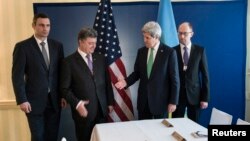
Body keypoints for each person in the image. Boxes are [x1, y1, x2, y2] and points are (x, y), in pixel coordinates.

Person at [12, 13, 66, 141]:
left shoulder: (57, 46)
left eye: (48, 25)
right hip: (33, 103)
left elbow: (62, 73)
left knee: (52, 137)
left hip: (54, 101)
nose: (45, 28)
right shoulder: (22, 47)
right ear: (33, 26)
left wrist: (63, 95)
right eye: (41, 25)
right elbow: (17, 76)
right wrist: (22, 99)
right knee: (38, 137)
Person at [115, 21, 180, 120]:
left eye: (147, 37)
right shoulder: (141, 52)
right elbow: (137, 73)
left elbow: (175, 79)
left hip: (160, 102)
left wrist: (173, 101)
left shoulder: (169, 53)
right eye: (144, 37)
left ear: (157, 37)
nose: (144, 40)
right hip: (143, 102)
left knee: (159, 132)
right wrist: (125, 82)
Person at [60, 27, 114, 141]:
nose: (94, 46)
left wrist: (110, 102)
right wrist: (77, 104)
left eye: (95, 42)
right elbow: (64, 89)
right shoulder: (68, 62)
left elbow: (107, 82)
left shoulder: (100, 58)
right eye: (90, 43)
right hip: (84, 114)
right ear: (80, 41)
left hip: (102, 111)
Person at [172, 22, 210, 123]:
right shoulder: (172, 51)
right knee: (176, 125)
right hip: (177, 97)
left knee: (194, 125)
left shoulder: (200, 51)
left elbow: (205, 76)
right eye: (179, 33)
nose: (182, 36)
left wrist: (205, 98)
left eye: (185, 33)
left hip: (195, 96)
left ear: (192, 34)